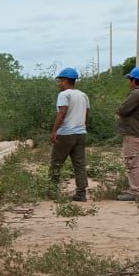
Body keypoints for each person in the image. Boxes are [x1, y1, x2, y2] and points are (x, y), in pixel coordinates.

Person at [49, 67, 90, 202]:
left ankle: (52, 191)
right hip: (81, 133)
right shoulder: (83, 95)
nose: (59, 83)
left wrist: (55, 131)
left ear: (65, 80)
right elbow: (86, 113)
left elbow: (62, 112)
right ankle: (81, 193)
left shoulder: (64, 95)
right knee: (79, 164)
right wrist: (83, 126)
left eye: (60, 80)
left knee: (56, 162)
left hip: (66, 134)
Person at [115, 66, 139, 202]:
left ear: (134, 80)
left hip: (133, 132)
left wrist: (118, 110)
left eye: (130, 79)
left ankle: (135, 192)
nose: (129, 82)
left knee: (132, 162)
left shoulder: (136, 94)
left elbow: (122, 110)